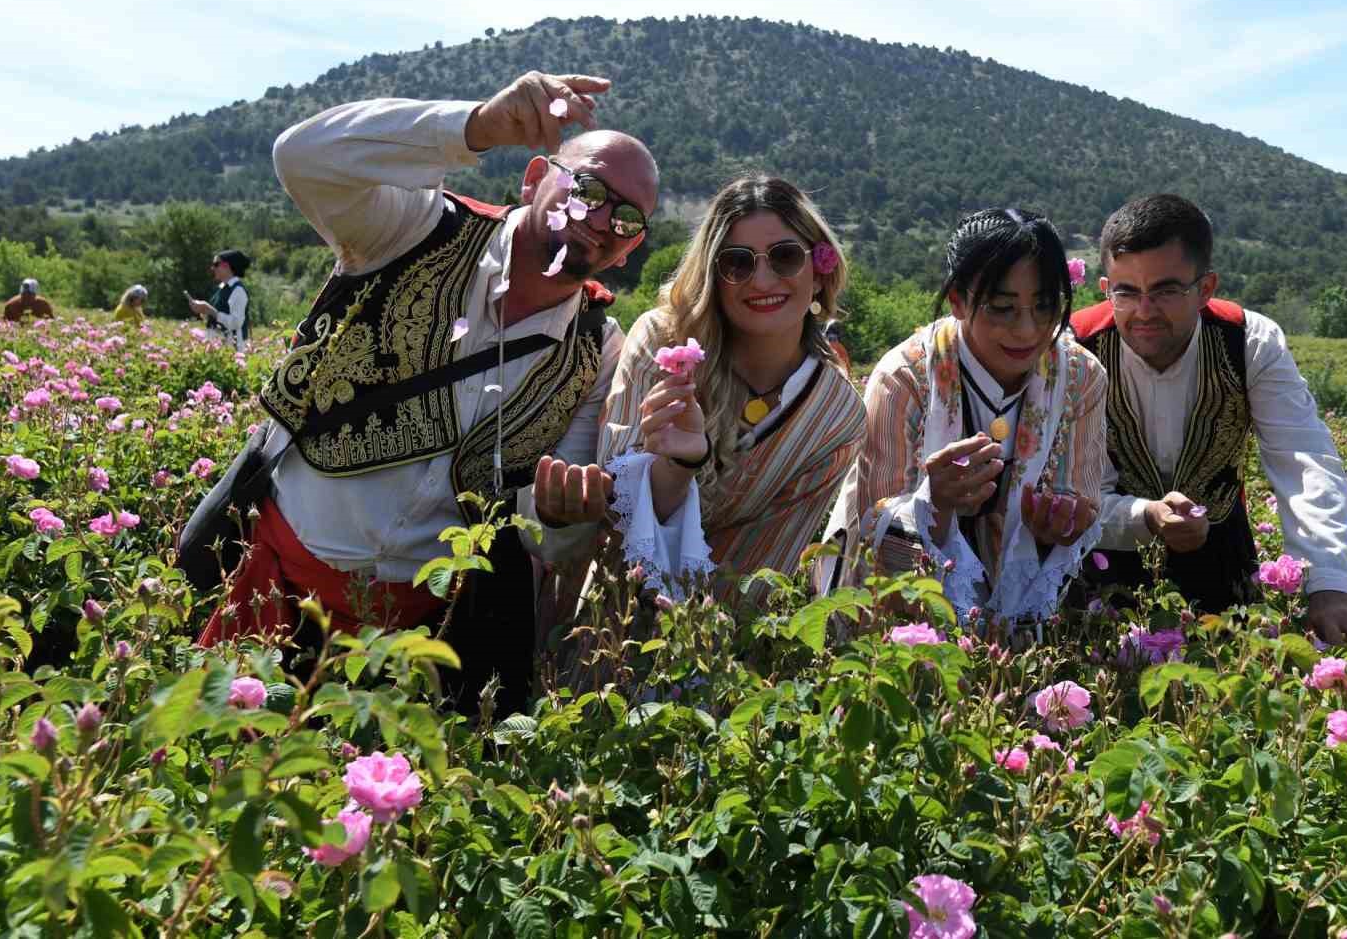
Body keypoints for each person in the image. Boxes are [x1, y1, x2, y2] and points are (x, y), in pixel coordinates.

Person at [190, 70, 657, 717]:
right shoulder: (415, 227)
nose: (602, 218)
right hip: (267, 578)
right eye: (588, 188)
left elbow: (540, 530)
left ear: (631, 249)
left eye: (628, 217)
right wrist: (475, 127)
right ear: (532, 178)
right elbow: (300, 156)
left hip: (411, 646)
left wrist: (561, 516)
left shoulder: (599, 349)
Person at [1071, 193, 1347, 646]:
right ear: (1104, 288)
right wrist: (1146, 518)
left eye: (1167, 290)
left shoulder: (1249, 341)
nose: (1145, 311)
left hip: (1222, 550)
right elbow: (1076, 489)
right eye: (1127, 292)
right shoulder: (1075, 349)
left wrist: (1328, 583)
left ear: (1206, 288)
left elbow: (1303, 458)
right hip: (1102, 554)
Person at [824, 207, 1106, 627]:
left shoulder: (1079, 378)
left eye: (1044, 306)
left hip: (1017, 612)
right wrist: (933, 504)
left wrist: (1063, 525)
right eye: (1002, 308)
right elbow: (874, 530)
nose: (1027, 330)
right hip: (905, 609)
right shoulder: (905, 378)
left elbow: (1083, 502)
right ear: (957, 299)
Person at [593, 177, 865, 605]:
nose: (761, 280)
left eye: (785, 257)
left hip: (721, 643)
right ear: (713, 277)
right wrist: (675, 467)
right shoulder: (663, 342)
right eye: (737, 263)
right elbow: (613, 508)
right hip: (612, 616)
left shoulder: (836, 415)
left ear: (818, 271)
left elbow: (765, 566)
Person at [188, 250, 251, 349]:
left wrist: (210, 310)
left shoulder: (238, 290)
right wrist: (203, 310)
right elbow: (217, 315)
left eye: (216, 264)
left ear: (227, 266)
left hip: (233, 349)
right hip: (219, 346)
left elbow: (236, 323)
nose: (212, 268)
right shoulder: (222, 287)